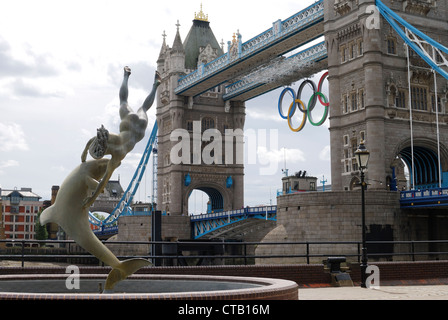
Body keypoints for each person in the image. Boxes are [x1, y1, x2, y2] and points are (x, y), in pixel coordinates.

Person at [81, 66, 161, 208]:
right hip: (128, 121)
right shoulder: (109, 137)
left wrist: (91, 199)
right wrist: (85, 152)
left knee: (143, 108)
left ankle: (155, 85)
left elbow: (104, 182)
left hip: (139, 131)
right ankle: (126, 75)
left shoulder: (118, 155)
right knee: (124, 101)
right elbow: (92, 140)